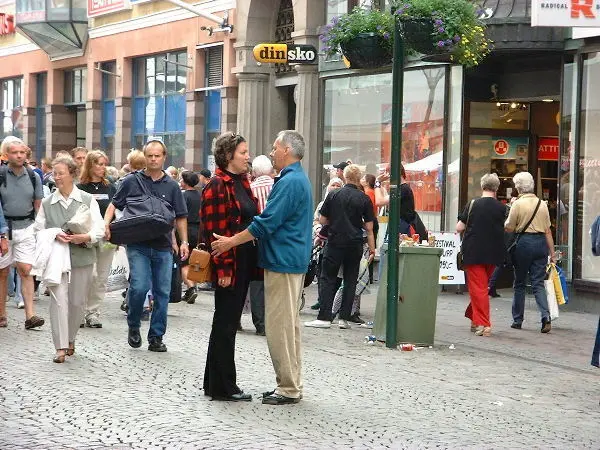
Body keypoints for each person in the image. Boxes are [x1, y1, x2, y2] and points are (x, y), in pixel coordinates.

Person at [211, 130, 313, 405]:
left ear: (287, 152)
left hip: (283, 261)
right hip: (289, 260)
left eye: (275, 147)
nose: (270, 152)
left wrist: (231, 242)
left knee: (280, 327)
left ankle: (288, 388)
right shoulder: (295, 178)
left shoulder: (290, 182)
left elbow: (264, 223)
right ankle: (291, 383)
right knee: (289, 327)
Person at [105, 139, 189, 352]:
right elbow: (114, 205)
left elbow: (180, 217)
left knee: (162, 292)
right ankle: (133, 324)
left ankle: (156, 337)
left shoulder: (171, 186)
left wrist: (184, 241)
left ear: (164, 157)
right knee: (140, 286)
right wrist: (106, 225)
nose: (153, 159)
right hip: (137, 244)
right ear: (145, 157)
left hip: (163, 246)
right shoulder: (131, 181)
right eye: (149, 155)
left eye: (157, 155)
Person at [200, 132, 258, 401]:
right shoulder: (217, 185)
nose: (248, 156)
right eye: (243, 152)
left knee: (227, 322)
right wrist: (222, 270)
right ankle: (222, 387)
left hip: (243, 260)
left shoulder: (241, 182)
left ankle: (216, 383)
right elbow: (214, 233)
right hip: (230, 264)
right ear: (227, 156)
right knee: (225, 323)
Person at [34, 156, 104, 362]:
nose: (56, 177)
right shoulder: (47, 203)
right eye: (54, 173)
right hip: (56, 259)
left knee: (77, 302)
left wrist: (86, 236)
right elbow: (38, 230)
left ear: (72, 174)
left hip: (82, 256)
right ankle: (60, 347)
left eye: (60, 173)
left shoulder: (87, 199)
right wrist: (54, 233)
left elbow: (99, 228)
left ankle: (71, 338)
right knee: (58, 301)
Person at [305, 164, 376, 330]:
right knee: (350, 280)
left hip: (335, 241)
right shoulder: (364, 198)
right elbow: (369, 228)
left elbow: (322, 220)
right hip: (355, 243)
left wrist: (335, 220)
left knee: (328, 278)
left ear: (344, 177)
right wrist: (372, 249)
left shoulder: (334, 194)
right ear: (359, 179)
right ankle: (344, 318)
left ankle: (324, 316)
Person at [0, 136, 45, 330]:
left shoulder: (34, 175)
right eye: (14, 152)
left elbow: (38, 205)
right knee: (2, 272)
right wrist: (1, 234)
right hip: (4, 228)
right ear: (7, 155)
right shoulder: (1, 175)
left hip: (26, 227)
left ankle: (30, 315)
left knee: (26, 270)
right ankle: (1, 314)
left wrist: (39, 230)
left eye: (22, 152)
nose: (19, 156)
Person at [505, 171, 556, 333]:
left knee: (519, 283)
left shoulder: (517, 204)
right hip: (541, 243)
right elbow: (548, 231)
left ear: (518, 187)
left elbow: (509, 227)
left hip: (524, 243)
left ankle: (518, 320)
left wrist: (509, 208)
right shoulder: (542, 204)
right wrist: (552, 253)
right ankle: (545, 316)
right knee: (538, 283)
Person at [456, 174, 506, 336]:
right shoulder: (502, 208)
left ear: (482, 185)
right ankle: (474, 317)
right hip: (494, 252)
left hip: (474, 251)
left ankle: (484, 324)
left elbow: (459, 227)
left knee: (479, 289)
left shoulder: (472, 204)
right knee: (481, 287)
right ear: (497, 188)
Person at [77, 150, 117, 328]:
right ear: (90, 165)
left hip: (107, 238)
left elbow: (117, 209)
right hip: (87, 237)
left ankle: (93, 312)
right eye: (99, 164)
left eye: (104, 164)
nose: (102, 167)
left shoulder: (110, 187)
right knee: (87, 275)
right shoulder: (80, 188)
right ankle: (79, 311)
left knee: (101, 276)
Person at [248, 154, 275, 336]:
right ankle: (274, 320)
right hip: (275, 240)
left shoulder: (250, 189)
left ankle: (261, 323)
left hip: (255, 239)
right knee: (273, 281)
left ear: (255, 172)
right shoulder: (277, 187)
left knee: (256, 282)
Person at [179, 170, 202, 304]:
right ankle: (191, 288)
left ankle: (191, 287)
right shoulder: (200, 195)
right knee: (194, 261)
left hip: (186, 230)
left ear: (186, 182)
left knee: (184, 262)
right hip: (197, 230)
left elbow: (180, 215)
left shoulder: (184, 196)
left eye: (182, 179)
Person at [361, 173, 379, 283]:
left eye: (363, 178)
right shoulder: (371, 193)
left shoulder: (368, 193)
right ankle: (369, 275)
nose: (361, 180)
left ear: (367, 182)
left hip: (370, 221)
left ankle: (368, 275)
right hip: (373, 220)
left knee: (368, 248)